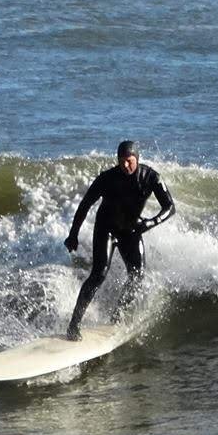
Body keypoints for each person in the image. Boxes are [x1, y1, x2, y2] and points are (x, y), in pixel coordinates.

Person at [64, 140, 174, 338]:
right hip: (106, 229)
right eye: (121, 161)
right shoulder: (107, 178)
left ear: (137, 160)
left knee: (137, 276)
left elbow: (169, 207)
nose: (125, 165)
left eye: (129, 161)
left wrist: (151, 222)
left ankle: (116, 318)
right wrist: (73, 234)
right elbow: (85, 205)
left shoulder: (151, 177)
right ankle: (74, 325)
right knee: (98, 274)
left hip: (131, 231)